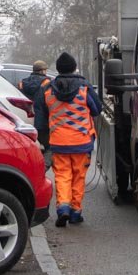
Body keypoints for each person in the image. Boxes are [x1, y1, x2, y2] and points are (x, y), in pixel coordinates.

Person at [35, 52, 101, 227]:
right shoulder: (85, 87)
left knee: (62, 176)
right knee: (78, 177)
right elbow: (96, 110)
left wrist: (44, 140)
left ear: (58, 69)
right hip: (81, 141)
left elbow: (40, 120)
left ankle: (63, 208)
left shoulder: (47, 89)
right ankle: (75, 212)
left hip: (58, 142)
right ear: (73, 68)